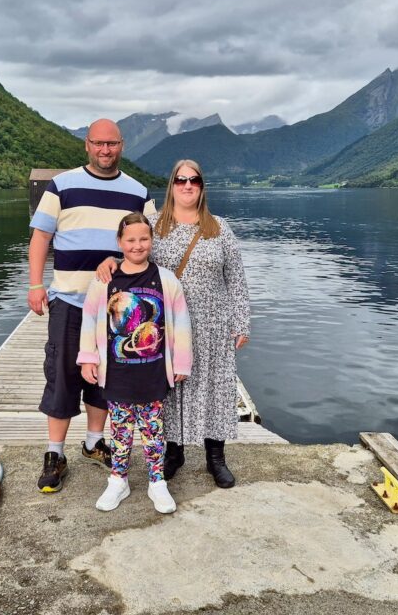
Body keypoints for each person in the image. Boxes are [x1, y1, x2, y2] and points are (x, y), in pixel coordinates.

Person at [97, 159, 249, 488]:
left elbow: (236, 280)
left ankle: (215, 457)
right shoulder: (154, 225)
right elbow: (131, 252)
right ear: (172, 185)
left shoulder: (219, 228)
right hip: (167, 325)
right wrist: (109, 260)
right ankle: (173, 453)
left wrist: (241, 323)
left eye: (194, 179)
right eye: (181, 180)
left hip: (214, 325)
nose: (187, 185)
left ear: (202, 186)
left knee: (216, 389)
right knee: (170, 390)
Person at [28, 119, 156, 493]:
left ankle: (92, 442)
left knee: (105, 377)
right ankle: (55, 453)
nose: (105, 150)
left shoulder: (136, 192)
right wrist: (36, 285)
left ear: (122, 145)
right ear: (87, 145)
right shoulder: (62, 186)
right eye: (98, 143)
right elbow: (41, 237)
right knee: (63, 375)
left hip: (115, 306)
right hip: (68, 299)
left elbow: (145, 242)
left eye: (112, 144)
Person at [78, 212, 192, 513]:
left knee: (154, 430)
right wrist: (88, 358)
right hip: (116, 373)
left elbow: (180, 321)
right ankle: (119, 479)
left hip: (153, 372)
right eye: (130, 240)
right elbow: (89, 319)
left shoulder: (166, 280)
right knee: (120, 430)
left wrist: (181, 362)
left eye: (144, 239)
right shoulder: (105, 280)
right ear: (120, 242)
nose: (137, 245)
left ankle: (157, 482)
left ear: (151, 241)